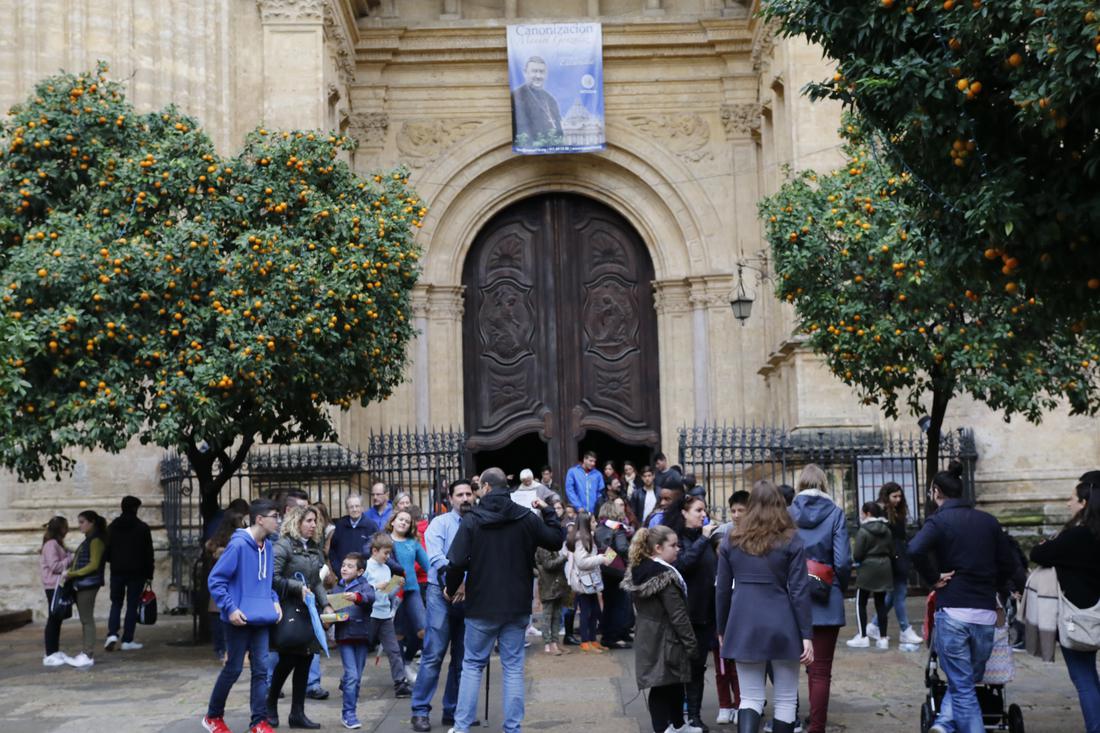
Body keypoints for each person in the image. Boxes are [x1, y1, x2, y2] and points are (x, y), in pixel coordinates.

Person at [443, 466, 563, 733]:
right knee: (512, 668)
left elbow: (455, 562)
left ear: (485, 487)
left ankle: (461, 728)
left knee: (472, 665)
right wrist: (548, 510)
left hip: (481, 604)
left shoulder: (472, 520)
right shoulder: (525, 518)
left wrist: (451, 589)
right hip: (516, 604)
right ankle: (512, 729)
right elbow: (555, 539)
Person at [909, 461, 1024, 733]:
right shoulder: (988, 522)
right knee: (966, 681)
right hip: (984, 613)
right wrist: (993, 585)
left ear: (936, 492)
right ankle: (945, 723)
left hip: (953, 611)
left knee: (962, 685)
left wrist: (933, 578)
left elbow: (914, 549)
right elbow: (1009, 564)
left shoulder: (938, 521)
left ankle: (950, 725)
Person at [717, 481, 814, 733]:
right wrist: (806, 634)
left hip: (742, 621)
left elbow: (722, 589)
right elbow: (799, 590)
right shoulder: (791, 539)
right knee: (785, 698)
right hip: (782, 622)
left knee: (749, 698)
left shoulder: (731, 539)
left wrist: (722, 628)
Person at [203, 498, 282, 733]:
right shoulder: (237, 545)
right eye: (274, 516)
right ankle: (213, 716)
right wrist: (230, 608)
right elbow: (216, 580)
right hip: (238, 618)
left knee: (261, 670)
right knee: (234, 669)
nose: (278, 521)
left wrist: (275, 602)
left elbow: (267, 582)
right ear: (260, 519)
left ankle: (259, 721)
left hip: (261, 617)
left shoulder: (267, 546)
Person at [1030, 470, 1100, 733]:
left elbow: (1038, 553)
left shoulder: (1077, 536)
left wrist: (1051, 543)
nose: (1068, 503)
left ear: (1084, 504)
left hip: (1078, 615)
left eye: (1072, 498)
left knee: (1084, 678)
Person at [410, 478, 478, 732]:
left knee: (462, 658)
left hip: (468, 595)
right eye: (459, 495)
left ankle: (453, 711)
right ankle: (419, 711)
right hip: (441, 594)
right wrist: (454, 582)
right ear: (450, 499)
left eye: (468, 494)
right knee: (433, 654)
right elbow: (436, 557)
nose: (464, 499)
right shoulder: (440, 523)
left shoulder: (479, 524)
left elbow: (481, 558)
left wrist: (465, 584)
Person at [621, 524, 701, 733]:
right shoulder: (664, 576)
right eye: (673, 545)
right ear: (658, 548)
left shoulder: (643, 570)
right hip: (666, 638)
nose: (678, 549)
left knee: (670, 682)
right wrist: (691, 645)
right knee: (663, 684)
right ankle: (664, 728)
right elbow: (678, 615)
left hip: (650, 636)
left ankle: (677, 725)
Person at [788, 465, 850, 733]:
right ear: (824, 484)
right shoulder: (835, 513)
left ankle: (787, 720)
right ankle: (817, 727)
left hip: (792, 598)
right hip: (826, 598)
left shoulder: (788, 514)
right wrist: (838, 587)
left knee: (787, 670)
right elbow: (843, 561)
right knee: (821, 670)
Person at [267, 505, 334, 730]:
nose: (314, 525)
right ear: (297, 522)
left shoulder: (314, 548)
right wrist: (297, 587)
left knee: (305, 660)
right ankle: (270, 706)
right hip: (288, 609)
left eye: (315, 521)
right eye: (309, 521)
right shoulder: (283, 545)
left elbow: (316, 581)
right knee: (287, 660)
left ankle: (297, 714)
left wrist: (326, 605)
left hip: (309, 610)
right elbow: (273, 578)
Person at [666, 494, 719, 732]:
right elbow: (683, 564)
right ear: (685, 513)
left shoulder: (705, 539)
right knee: (681, 668)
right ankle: (677, 718)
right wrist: (704, 540)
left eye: (704, 510)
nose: (703, 514)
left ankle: (695, 717)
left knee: (698, 667)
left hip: (706, 612)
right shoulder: (679, 541)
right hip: (686, 614)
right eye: (698, 510)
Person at [866, 482, 923, 647]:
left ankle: (875, 625)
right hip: (892, 558)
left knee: (893, 596)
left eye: (899, 496)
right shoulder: (882, 512)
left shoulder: (896, 511)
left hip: (899, 556)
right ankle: (905, 630)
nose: (898, 500)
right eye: (894, 496)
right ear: (886, 496)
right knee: (899, 594)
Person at [713, 491, 748, 726]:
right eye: (732, 510)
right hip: (727, 599)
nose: (735, 515)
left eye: (740, 510)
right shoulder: (725, 533)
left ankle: (744, 703)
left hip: (746, 603)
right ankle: (727, 703)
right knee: (723, 661)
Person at [104, 495, 155, 653]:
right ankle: (127, 639)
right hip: (137, 572)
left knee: (116, 603)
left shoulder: (112, 527)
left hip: (117, 571)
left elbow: (106, 551)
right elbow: (148, 553)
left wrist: (115, 560)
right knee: (132, 605)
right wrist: (149, 574)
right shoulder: (142, 528)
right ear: (135, 508)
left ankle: (112, 634)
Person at [366, 533, 413, 699]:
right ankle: (349, 679)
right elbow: (361, 590)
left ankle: (400, 683)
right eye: (385, 553)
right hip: (370, 614)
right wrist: (375, 586)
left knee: (393, 650)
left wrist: (395, 585)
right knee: (362, 648)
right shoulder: (366, 567)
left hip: (384, 614)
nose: (388, 557)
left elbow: (388, 593)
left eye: (389, 553)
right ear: (374, 551)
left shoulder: (386, 569)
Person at [334, 552, 377, 730]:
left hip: (361, 636)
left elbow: (369, 598)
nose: (344, 568)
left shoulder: (364, 586)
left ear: (360, 572)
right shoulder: (338, 588)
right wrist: (330, 617)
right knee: (353, 676)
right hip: (344, 637)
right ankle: (349, 713)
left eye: (350, 566)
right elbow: (332, 606)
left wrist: (357, 597)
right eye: (344, 565)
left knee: (356, 678)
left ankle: (346, 683)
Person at [388, 508, 430, 674]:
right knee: (397, 634)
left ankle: (407, 661)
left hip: (412, 591)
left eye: (407, 521)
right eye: (401, 519)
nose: (403, 522)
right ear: (392, 521)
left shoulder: (413, 543)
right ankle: (399, 674)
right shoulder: (384, 542)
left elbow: (428, 565)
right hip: (392, 593)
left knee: (423, 630)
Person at [847, 502, 894, 650]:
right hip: (885, 567)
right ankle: (883, 638)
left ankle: (862, 636)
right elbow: (892, 551)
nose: (861, 515)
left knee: (861, 602)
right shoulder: (887, 529)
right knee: (881, 604)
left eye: (862, 513)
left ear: (867, 514)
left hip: (868, 569)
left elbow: (858, 554)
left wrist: (859, 561)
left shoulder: (863, 531)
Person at [64, 510, 107, 668]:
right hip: (84, 583)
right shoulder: (89, 539)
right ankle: (85, 652)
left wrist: (73, 573)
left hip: (88, 583)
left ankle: (88, 653)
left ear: (92, 522)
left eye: (82, 522)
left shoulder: (95, 540)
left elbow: (94, 564)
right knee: (85, 619)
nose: (80, 525)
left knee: (87, 619)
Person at [204, 509, 248, 662]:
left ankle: (221, 650)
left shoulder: (215, 541)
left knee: (219, 620)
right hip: (232, 587)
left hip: (219, 588)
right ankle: (230, 652)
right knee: (228, 622)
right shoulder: (238, 544)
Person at [567, 510, 610, 653]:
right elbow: (581, 562)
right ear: (586, 524)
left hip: (590, 581)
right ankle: (585, 641)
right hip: (583, 582)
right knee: (587, 612)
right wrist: (601, 558)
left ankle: (592, 639)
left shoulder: (587, 537)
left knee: (595, 611)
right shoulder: (582, 540)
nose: (596, 523)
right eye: (592, 521)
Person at [595, 500, 633, 648]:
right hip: (617, 570)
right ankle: (614, 637)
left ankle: (607, 635)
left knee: (609, 603)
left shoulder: (599, 528)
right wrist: (629, 560)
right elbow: (623, 548)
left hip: (604, 568)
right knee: (619, 604)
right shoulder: (618, 528)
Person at [40, 515, 73, 667]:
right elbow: (55, 566)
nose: (68, 530)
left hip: (57, 584)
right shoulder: (51, 544)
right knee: (53, 619)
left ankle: (54, 651)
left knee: (57, 618)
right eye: (66, 527)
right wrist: (70, 559)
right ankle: (50, 653)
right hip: (52, 585)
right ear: (60, 528)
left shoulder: (56, 544)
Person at [511, 55, 562, 144]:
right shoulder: (516, 97)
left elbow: (559, 130)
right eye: (534, 71)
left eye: (541, 72)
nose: (538, 76)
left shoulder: (551, 100)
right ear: (525, 73)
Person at [330, 494, 381, 580]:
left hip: (365, 576)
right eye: (351, 507)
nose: (354, 509)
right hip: (343, 576)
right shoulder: (340, 525)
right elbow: (332, 550)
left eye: (357, 506)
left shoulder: (371, 526)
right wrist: (338, 571)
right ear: (347, 509)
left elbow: (377, 551)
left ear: (362, 508)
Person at [534, 536, 569, 656]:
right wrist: (564, 558)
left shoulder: (550, 544)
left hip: (555, 583)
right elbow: (548, 565)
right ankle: (548, 643)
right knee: (548, 615)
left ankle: (555, 642)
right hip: (548, 584)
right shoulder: (543, 546)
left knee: (557, 615)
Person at [566, 451, 604, 515]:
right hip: (577, 511)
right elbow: (570, 490)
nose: (593, 463)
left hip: (594, 513)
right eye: (591, 461)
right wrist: (578, 506)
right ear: (584, 459)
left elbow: (600, 493)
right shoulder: (573, 472)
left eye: (594, 461)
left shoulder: (598, 474)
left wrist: (597, 509)